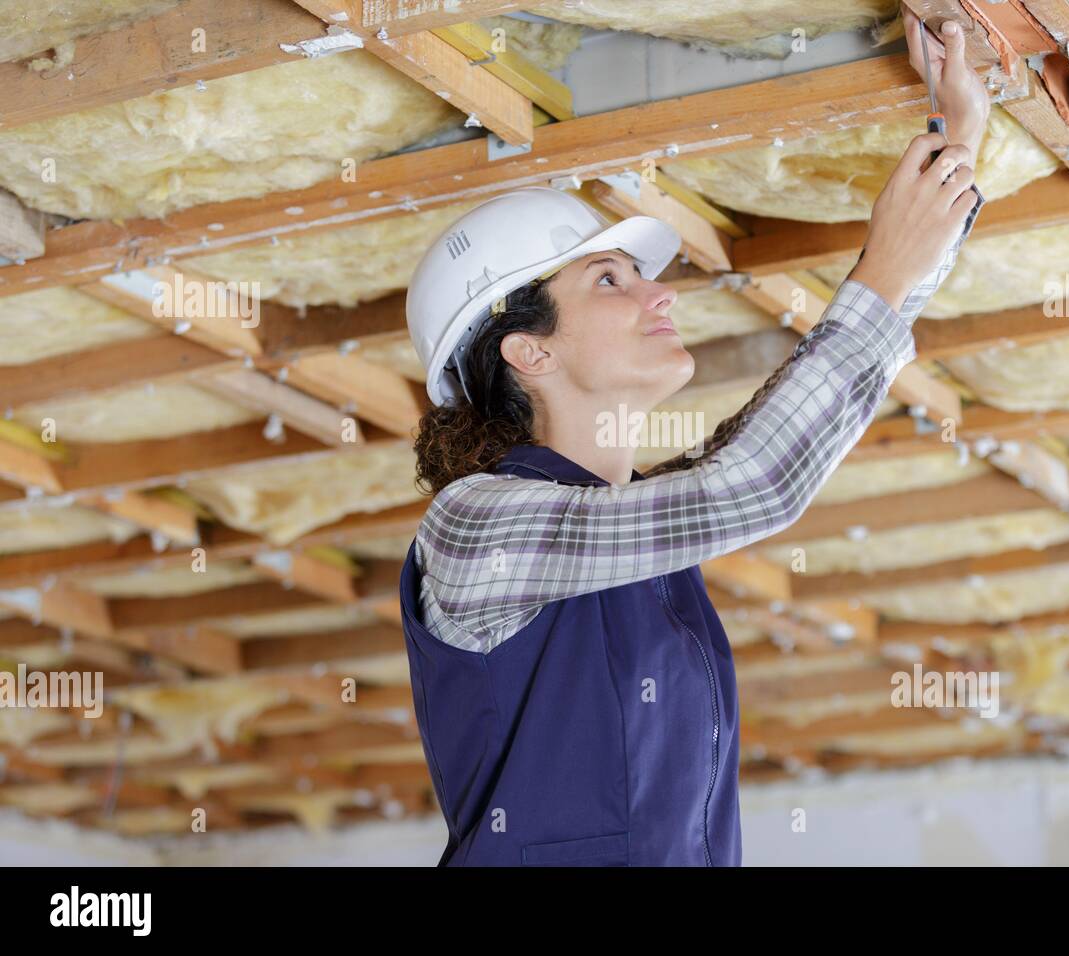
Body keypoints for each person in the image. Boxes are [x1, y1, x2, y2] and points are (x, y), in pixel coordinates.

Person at [397, 12, 990, 866]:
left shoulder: (642, 540)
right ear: (529, 351)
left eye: (641, 276)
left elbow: (791, 426)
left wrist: (956, 145)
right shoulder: (473, 528)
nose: (659, 296)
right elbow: (754, 485)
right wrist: (882, 267)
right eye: (610, 278)